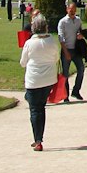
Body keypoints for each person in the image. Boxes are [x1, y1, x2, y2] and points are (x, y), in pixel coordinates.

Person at [20, 12, 60, 151]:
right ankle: (39, 138)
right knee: (41, 108)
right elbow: (56, 58)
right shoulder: (51, 41)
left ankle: (37, 140)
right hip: (48, 80)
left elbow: (23, 63)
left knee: (35, 110)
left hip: (34, 80)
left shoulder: (30, 43)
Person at [58, 1, 86, 101]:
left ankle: (76, 91)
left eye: (74, 10)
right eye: (71, 10)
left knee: (81, 69)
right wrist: (65, 52)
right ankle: (65, 96)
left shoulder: (78, 20)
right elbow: (61, 38)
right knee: (65, 73)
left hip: (76, 50)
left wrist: (81, 35)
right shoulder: (62, 22)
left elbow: (80, 31)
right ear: (67, 9)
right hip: (66, 49)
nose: (73, 12)